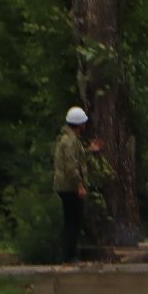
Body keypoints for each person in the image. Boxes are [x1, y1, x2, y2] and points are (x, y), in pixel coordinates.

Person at [54, 106, 101, 263]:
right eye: (84, 123)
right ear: (80, 124)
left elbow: (75, 157)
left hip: (64, 185)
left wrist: (89, 150)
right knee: (74, 222)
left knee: (71, 221)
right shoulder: (71, 141)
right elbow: (71, 166)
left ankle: (68, 254)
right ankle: (70, 256)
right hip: (70, 187)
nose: (85, 125)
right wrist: (79, 185)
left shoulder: (67, 138)